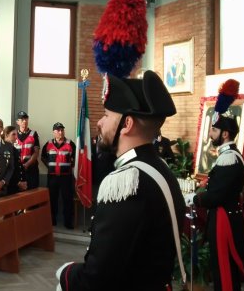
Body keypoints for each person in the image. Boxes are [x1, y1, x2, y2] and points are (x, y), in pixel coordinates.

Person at [56, 71, 185, 290]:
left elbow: (97, 278)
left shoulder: (127, 182)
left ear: (127, 124)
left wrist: (66, 273)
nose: (99, 122)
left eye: (106, 115)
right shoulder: (160, 167)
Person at [187, 107, 244, 290]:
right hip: (225, 216)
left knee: (224, 266)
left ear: (225, 134)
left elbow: (217, 195)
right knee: (222, 266)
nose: (209, 134)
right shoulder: (228, 156)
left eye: (214, 130)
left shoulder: (228, 158)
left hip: (224, 219)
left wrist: (195, 199)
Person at [42, 122, 75, 229]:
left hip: (66, 177)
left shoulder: (70, 144)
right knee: (52, 199)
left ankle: (68, 222)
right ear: (54, 132)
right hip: (52, 177)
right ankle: (52, 220)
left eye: (62, 130)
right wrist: (50, 166)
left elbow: (76, 159)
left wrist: (69, 166)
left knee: (68, 199)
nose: (61, 132)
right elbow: (43, 157)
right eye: (58, 130)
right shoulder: (48, 144)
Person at [14, 111, 40, 189]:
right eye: (22, 119)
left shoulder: (33, 134)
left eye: (26, 118)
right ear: (17, 122)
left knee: (32, 193)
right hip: (17, 170)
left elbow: (36, 152)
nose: (24, 121)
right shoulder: (14, 134)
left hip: (31, 169)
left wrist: (27, 164)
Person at [4, 126, 27, 194]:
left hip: (17, 185)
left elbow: (19, 166)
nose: (16, 137)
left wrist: (24, 180)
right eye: (13, 134)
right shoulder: (4, 149)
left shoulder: (14, 149)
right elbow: (6, 169)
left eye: (16, 134)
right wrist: (18, 182)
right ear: (6, 135)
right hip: (9, 185)